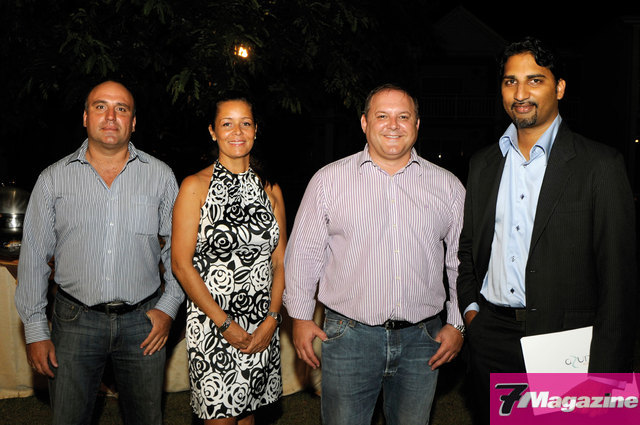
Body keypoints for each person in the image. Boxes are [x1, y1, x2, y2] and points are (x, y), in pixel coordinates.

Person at [457, 37, 637, 424]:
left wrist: (607, 375)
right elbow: (469, 248)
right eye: (510, 81)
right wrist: (472, 313)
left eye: (534, 80)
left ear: (559, 88)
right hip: (491, 338)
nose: (521, 94)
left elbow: (618, 281)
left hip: (566, 343)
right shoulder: (483, 164)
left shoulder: (600, 165)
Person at [284, 83, 466, 425]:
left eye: (403, 116)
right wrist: (301, 318)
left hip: (422, 340)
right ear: (365, 123)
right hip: (348, 336)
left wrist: (457, 323)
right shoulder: (328, 181)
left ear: (417, 124)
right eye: (382, 116)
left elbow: (460, 261)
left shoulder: (448, 186)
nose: (393, 125)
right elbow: (304, 254)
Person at [15, 80, 185, 424]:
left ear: (133, 122)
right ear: (85, 117)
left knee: (146, 419)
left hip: (144, 322)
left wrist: (168, 309)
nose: (110, 116)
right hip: (74, 321)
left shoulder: (161, 176)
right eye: (100, 106)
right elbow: (33, 257)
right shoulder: (53, 179)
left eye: (121, 109)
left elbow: (179, 253)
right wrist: (35, 330)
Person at [171, 94, 286, 425]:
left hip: (261, 325)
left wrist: (272, 320)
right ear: (212, 131)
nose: (237, 131)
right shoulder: (195, 186)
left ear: (256, 129)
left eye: (245, 123)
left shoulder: (271, 189)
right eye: (227, 123)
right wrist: (224, 324)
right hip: (213, 326)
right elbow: (181, 264)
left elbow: (280, 262)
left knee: (248, 417)